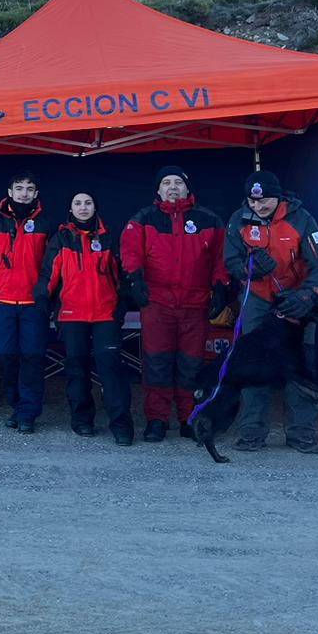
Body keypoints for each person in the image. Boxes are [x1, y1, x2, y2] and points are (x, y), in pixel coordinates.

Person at [222, 169, 318, 453]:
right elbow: (230, 261)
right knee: (252, 362)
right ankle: (251, 432)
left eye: (264, 202)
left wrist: (308, 295)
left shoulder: (302, 219)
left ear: (278, 198)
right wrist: (250, 270)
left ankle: (302, 432)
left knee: (300, 363)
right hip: (259, 299)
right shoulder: (239, 219)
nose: (258, 207)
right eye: (252, 201)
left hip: (296, 299)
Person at [121, 165, 231, 442]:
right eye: (167, 183)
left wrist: (221, 286)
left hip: (195, 304)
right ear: (158, 190)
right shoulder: (143, 219)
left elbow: (222, 257)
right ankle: (157, 420)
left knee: (190, 364)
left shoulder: (209, 220)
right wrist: (136, 281)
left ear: (187, 187)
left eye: (178, 183)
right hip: (157, 303)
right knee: (157, 363)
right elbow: (130, 252)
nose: (172, 187)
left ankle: (188, 418)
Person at [36, 192, 133, 445]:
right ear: (70, 209)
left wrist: (120, 307)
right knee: (77, 371)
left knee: (111, 370)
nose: (83, 207)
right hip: (72, 315)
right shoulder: (61, 239)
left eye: (88, 203)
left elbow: (121, 278)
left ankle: (121, 426)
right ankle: (82, 421)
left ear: (95, 207)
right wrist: (41, 304)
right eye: (77, 203)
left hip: (105, 314)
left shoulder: (109, 237)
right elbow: (48, 276)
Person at [0, 172, 49, 433]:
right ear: (10, 192)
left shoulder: (44, 224)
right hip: (1, 303)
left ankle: (28, 413)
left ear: (36, 194)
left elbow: (52, 269)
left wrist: (48, 300)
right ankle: (17, 405)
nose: (24, 193)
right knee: (7, 358)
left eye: (29, 188)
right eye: (19, 188)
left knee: (32, 359)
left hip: (32, 305)